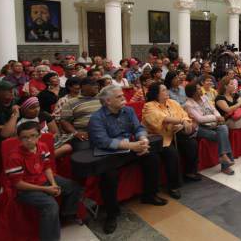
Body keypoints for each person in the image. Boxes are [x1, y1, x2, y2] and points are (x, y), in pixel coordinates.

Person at [88, 85, 167, 234]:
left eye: (123, 95)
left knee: (152, 158)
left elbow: (138, 128)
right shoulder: (97, 118)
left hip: (129, 146)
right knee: (108, 175)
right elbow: (103, 142)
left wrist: (143, 139)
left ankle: (149, 195)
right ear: (108, 101)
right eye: (119, 97)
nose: (124, 98)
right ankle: (112, 214)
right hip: (109, 152)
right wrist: (132, 145)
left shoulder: (128, 110)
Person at [5, 121, 83, 241]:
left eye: (33, 136)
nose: (29, 140)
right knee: (50, 205)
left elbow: (47, 167)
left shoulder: (42, 147)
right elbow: (18, 184)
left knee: (73, 186)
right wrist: (45, 189)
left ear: (39, 135)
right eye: (24, 137)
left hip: (43, 179)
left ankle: (66, 215)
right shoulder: (14, 157)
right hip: (26, 189)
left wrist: (53, 183)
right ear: (19, 139)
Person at [142, 83, 200, 199]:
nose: (166, 91)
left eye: (166, 89)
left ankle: (189, 172)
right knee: (172, 154)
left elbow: (184, 115)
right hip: (160, 137)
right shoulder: (149, 106)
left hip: (175, 132)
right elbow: (161, 119)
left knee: (192, 144)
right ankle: (173, 186)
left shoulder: (172, 102)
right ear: (156, 94)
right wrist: (181, 121)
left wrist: (185, 122)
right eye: (163, 90)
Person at [184, 82, 235, 175]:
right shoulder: (188, 104)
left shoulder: (205, 98)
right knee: (221, 135)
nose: (201, 89)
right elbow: (199, 119)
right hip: (199, 128)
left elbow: (214, 109)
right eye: (199, 89)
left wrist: (218, 118)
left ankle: (223, 157)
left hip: (212, 124)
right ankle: (225, 163)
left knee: (223, 127)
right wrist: (216, 118)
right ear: (193, 93)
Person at [59, 77, 102, 151]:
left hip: (104, 132)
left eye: (97, 84)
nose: (97, 86)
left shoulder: (103, 99)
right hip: (85, 135)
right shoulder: (71, 102)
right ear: (84, 87)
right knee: (85, 153)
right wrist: (75, 133)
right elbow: (64, 121)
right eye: (93, 84)